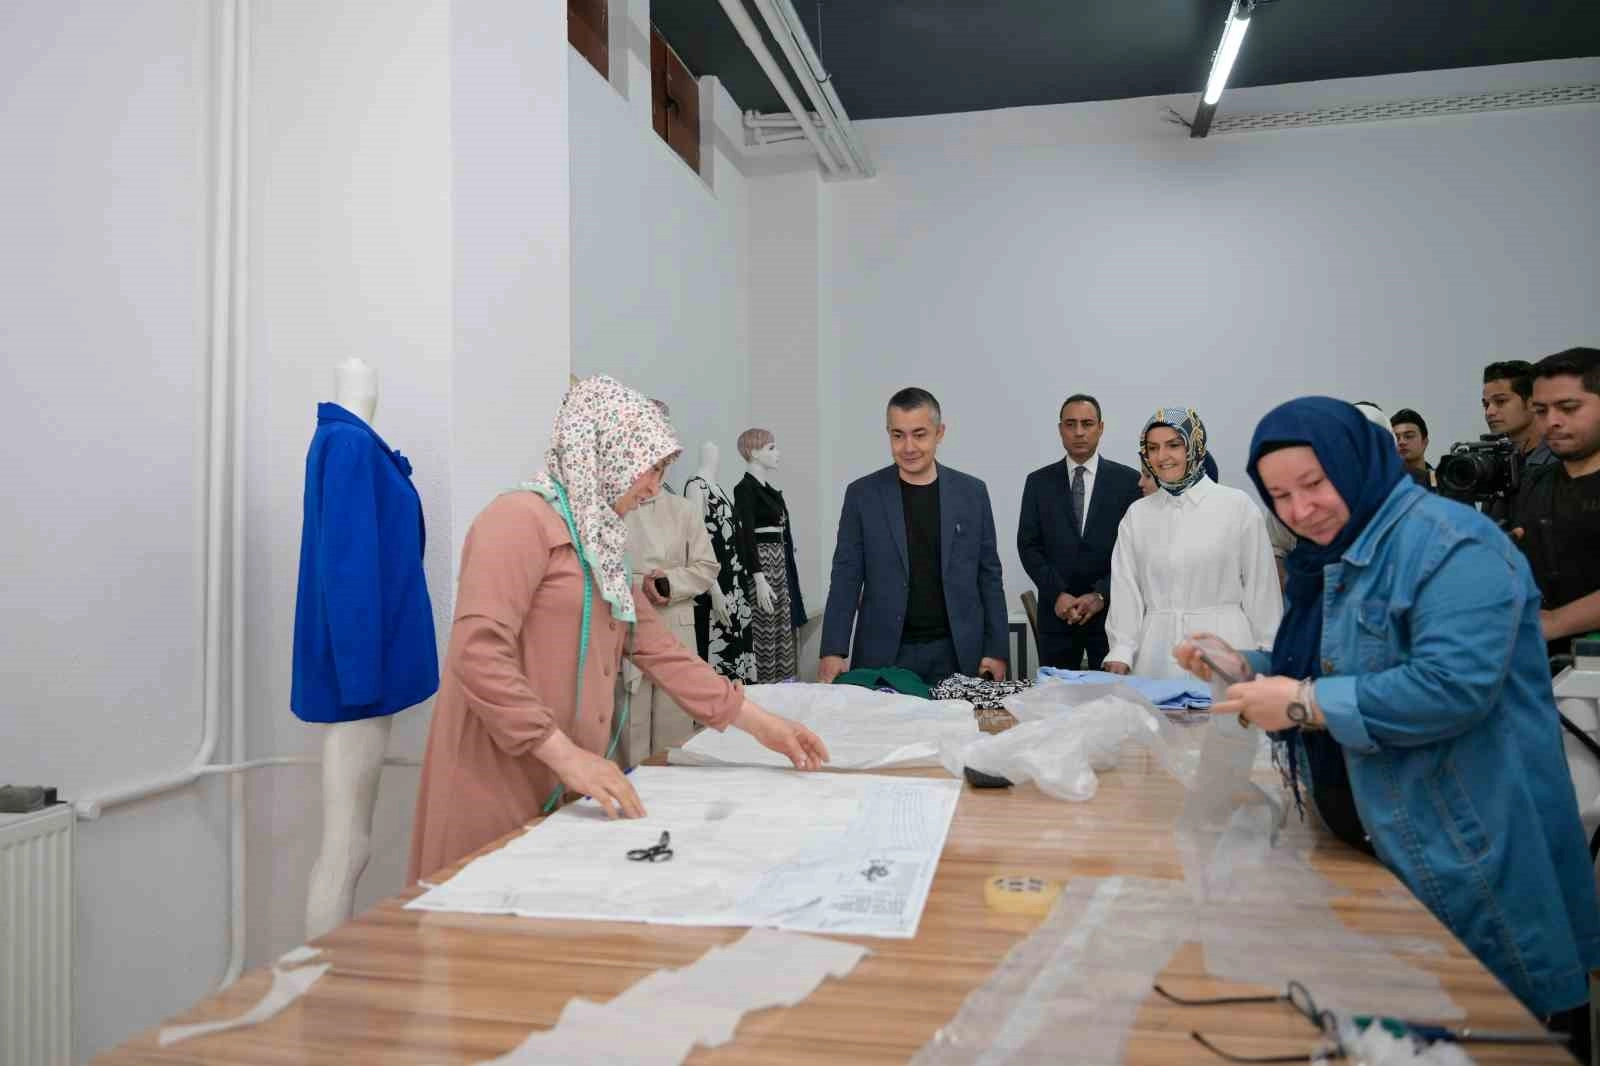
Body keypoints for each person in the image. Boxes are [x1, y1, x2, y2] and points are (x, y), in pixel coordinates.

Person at [1178, 395, 1598, 1053]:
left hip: (1469, 846)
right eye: (1280, 496)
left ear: (1356, 461)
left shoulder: (1451, 545)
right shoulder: (1339, 551)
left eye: (1314, 484)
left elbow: (1452, 688)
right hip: (1386, 839)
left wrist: (1304, 702)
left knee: (1503, 1033)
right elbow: (1337, 659)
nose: (1300, 510)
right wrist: (1246, 665)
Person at [408, 376, 828, 882]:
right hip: (496, 778)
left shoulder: (599, 545)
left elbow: (661, 651)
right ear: (604, 453)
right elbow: (477, 655)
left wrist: (765, 726)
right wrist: (566, 755)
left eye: (662, 471)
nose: (652, 487)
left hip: (567, 779)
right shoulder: (515, 521)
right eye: (649, 468)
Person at [819, 388, 1008, 684]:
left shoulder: (972, 493)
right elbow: (846, 577)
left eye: (919, 435)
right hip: (884, 654)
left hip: (958, 654)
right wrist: (833, 649)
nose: (908, 447)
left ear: (939, 433)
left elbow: (989, 576)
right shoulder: (862, 495)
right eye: (898, 435)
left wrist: (997, 649)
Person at [1102, 408, 1280, 679]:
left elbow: (1262, 590)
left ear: (1194, 446)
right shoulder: (1137, 514)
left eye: (1173, 445)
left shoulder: (1237, 506)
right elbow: (1126, 589)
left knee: (1223, 707)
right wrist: (1121, 650)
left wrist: (1269, 654)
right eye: (1153, 448)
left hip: (1226, 649)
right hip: (1155, 654)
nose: (1162, 456)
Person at [1017, 394, 1142, 669]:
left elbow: (1135, 553)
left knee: (1111, 694)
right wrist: (1057, 593)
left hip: (1111, 619)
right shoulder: (1038, 483)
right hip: (1057, 618)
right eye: (1070, 424)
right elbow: (1028, 546)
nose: (1079, 432)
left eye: (1087, 423)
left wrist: (1101, 594)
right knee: (1057, 694)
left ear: (1101, 427)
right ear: (1060, 429)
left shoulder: (1128, 482)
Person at [621, 484, 721, 765]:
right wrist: (633, 584)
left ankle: (671, 790)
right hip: (628, 623)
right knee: (630, 723)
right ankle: (629, 788)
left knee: (674, 725)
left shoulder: (683, 510)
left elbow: (708, 567)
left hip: (676, 624)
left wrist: (669, 583)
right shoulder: (615, 509)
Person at [1514, 347, 1600, 658]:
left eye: (1568, 408)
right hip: (1543, 667)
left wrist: (1554, 622)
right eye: (1540, 411)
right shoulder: (1534, 482)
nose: (1552, 421)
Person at [1388, 408, 1436, 491]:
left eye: (1409, 436)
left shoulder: (1442, 482)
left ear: (1424, 442)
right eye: (1396, 438)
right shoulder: (1384, 484)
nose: (1401, 442)